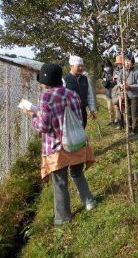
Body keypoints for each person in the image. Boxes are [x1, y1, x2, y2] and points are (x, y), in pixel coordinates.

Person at [21, 63, 96, 225]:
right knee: (77, 173)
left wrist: (32, 115)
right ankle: (89, 201)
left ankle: (63, 218)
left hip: (57, 147)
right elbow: (78, 118)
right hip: (76, 142)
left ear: (45, 82)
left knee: (60, 182)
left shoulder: (45, 97)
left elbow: (43, 126)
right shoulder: (72, 94)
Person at [64, 56, 96, 128]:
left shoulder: (85, 79)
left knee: (82, 130)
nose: (81, 68)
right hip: (71, 113)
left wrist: (92, 109)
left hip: (82, 111)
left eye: (82, 66)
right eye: (78, 66)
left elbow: (89, 95)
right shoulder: (65, 80)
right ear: (71, 66)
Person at [124, 53, 138, 135]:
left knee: (134, 113)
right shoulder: (123, 71)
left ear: (132, 62)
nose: (127, 63)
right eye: (126, 61)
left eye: (129, 61)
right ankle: (129, 129)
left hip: (134, 95)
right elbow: (119, 81)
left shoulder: (136, 72)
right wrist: (121, 85)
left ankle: (134, 131)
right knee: (127, 113)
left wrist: (130, 86)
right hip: (125, 95)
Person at [102, 59, 116, 126]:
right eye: (104, 66)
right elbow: (104, 83)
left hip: (115, 93)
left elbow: (116, 82)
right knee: (110, 108)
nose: (106, 68)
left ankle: (117, 120)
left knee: (116, 108)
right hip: (108, 93)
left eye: (107, 66)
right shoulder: (104, 73)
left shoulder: (114, 72)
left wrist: (112, 82)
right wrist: (106, 83)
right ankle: (111, 120)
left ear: (110, 66)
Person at [112, 54, 125, 129]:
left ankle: (129, 125)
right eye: (117, 63)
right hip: (117, 90)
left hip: (125, 89)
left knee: (126, 106)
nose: (118, 64)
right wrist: (114, 79)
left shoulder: (126, 68)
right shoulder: (115, 70)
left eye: (120, 62)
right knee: (118, 106)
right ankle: (120, 124)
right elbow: (113, 80)